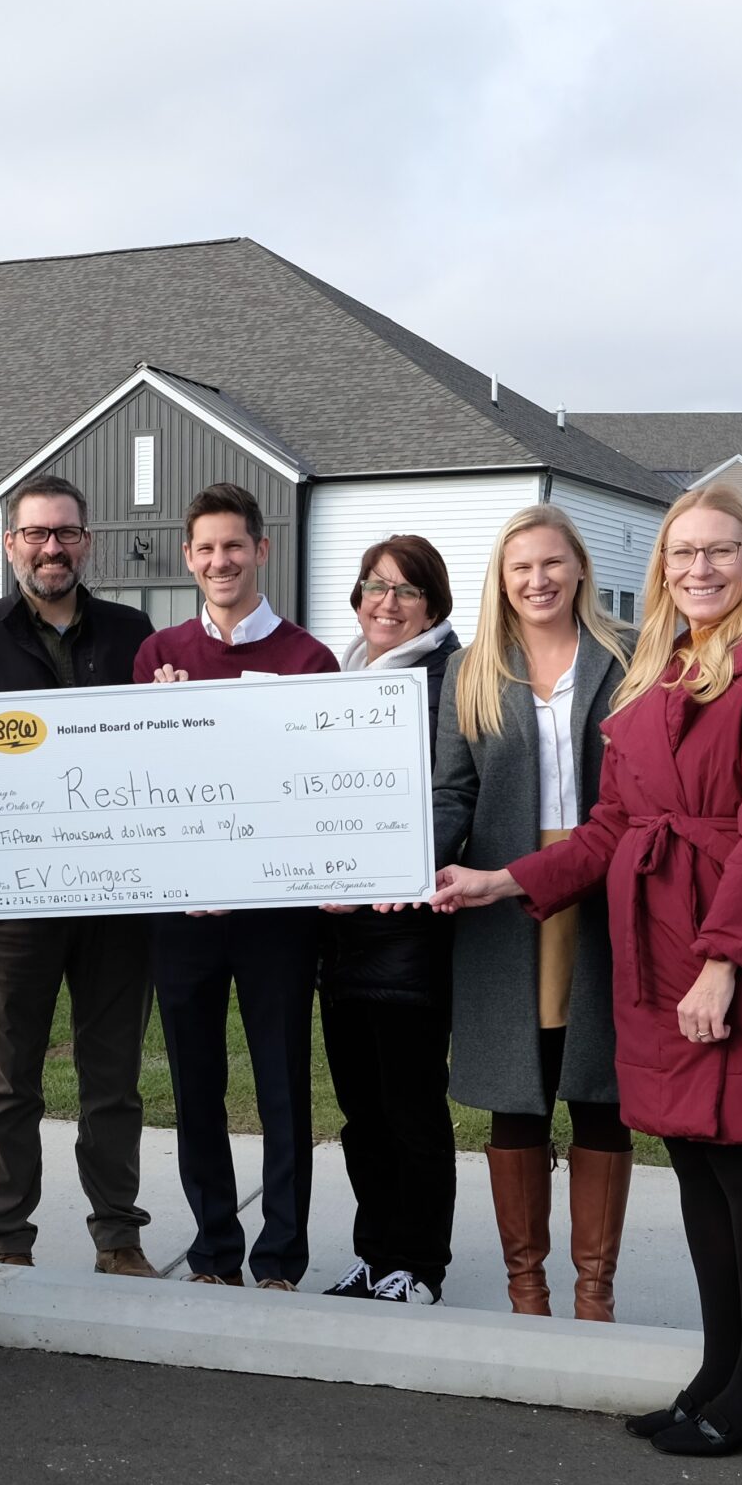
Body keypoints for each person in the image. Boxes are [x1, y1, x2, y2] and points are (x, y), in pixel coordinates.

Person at [432, 484, 742, 1458]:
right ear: (661, 567)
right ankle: (721, 1371)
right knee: (696, 1161)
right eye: (681, 552)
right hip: (658, 943)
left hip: (740, 949)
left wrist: (725, 963)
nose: (699, 568)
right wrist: (504, 879)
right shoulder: (663, 667)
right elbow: (615, 822)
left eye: (720, 550)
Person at [0, 475, 159, 1277]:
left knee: (113, 1077)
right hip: (14, 895)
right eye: (36, 533)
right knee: (9, 1074)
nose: (51, 547)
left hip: (116, 895)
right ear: (11, 544)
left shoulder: (134, 634)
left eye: (65, 533)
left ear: (86, 542)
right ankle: (6, 1237)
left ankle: (118, 1237)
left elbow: (158, 748)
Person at [133, 482, 336, 1289]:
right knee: (196, 1086)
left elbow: (322, 788)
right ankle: (214, 1250)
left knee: (282, 1082)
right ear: (189, 558)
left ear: (261, 550)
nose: (221, 561)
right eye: (207, 548)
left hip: (275, 915)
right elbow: (138, 783)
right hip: (183, 912)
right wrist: (160, 719)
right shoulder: (158, 656)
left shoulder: (308, 660)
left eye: (234, 546)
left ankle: (281, 1256)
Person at [432, 505, 633, 1319]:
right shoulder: (472, 670)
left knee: (600, 1089)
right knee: (517, 1093)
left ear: (580, 567)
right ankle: (528, 1292)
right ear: (502, 579)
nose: (538, 580)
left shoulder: (631, 659)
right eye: (521, 567)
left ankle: (594, 1293)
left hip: (606, 893)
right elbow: (453, 792)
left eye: (552, 563)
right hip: (501, 899)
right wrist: (414, 859)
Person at [317, 535, 462, 1306]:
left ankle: (421, 1265)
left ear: (433, 604)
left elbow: (451, 798)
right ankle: (376, 1255)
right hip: (340, 937)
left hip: (407, 931)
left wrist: (377, 871)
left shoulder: (449, 682)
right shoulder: (340, 678)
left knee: (409, 1107)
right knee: (361, 1113)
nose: (387, 602)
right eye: (375, 586)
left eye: (406, 590)